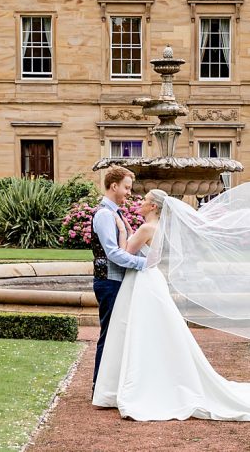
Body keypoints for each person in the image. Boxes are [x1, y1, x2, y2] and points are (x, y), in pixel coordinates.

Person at [92, 187, 250, 421]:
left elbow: (123, 252)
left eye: (145, 200)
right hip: (153, 280)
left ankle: (136, 384)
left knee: (139, 330)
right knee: (154, 331)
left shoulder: (146, 228)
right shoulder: (158, 227)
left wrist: (121, 229)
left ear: (153, 207)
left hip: (141, 280)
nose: (139, 202)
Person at [89, 165, 147, 388]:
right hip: (108, 282)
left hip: (117, 281)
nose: (129, 193)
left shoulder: (116, 213)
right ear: (114, 186)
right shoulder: (104, 214)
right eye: (126, 188)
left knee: (118, 334)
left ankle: (111, 384)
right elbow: (113, 254)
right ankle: (99, 385)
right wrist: (145, 264)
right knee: (109, 334)